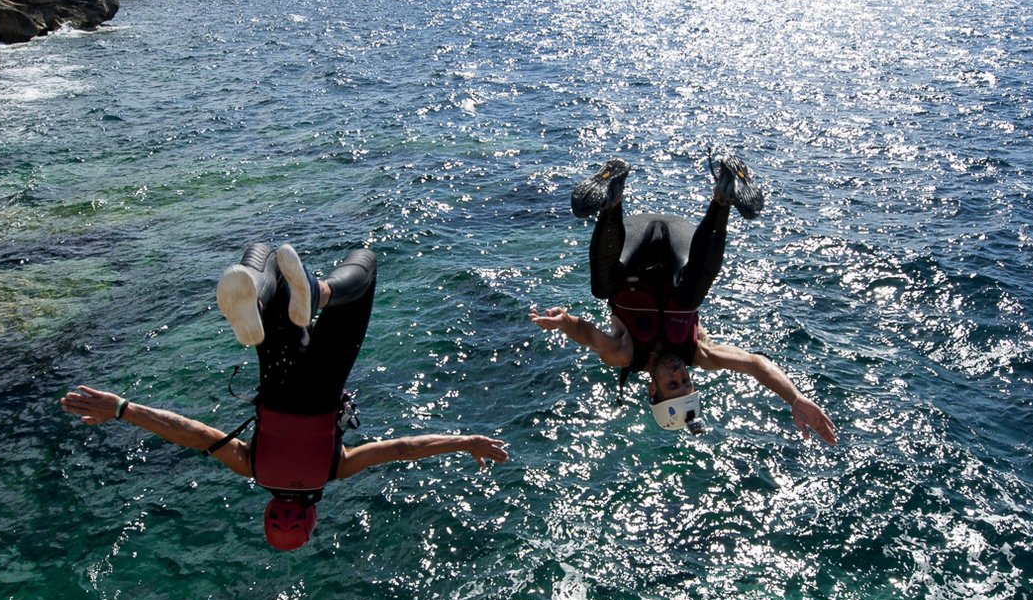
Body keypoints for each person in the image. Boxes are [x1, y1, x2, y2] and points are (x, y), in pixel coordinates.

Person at [62, 242, 507, 550]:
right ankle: (255, 301)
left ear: (311, 520)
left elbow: (404, 449)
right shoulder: (251, 466)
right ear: (268, 512)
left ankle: (318, 291)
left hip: (324, 381)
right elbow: (192, 433)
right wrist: (121, 408)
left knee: (365, 264)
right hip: (275, 376)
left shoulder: (336, 468)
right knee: (266, 256)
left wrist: (465, 442)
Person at [529, 151, 836, 443]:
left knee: (602, 289)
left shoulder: (624, 354)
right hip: (682, 242)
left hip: (631, 242)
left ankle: (612, 198)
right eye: (686, 382)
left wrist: (565, 322)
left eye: (671, 384)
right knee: (689, 299)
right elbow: (755, 364)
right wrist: (794, 397)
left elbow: (588, 335)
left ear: (653, 388)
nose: (679, 374)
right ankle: (723, 197)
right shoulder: (700, 353)